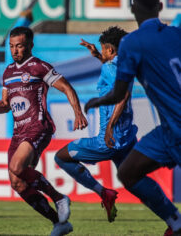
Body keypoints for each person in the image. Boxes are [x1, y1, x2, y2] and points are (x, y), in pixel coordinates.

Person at [84, 0, 181, 235]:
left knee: (128, 174)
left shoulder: (131, 43)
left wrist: (96, 102)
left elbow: (119, 93)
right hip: (168, 131)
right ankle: (175, 222)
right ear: (160, 8)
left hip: (177, 126)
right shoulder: (176, 34)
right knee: (128, 171)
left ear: (132, 9)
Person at [0, 27, 88, 236]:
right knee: (17, 183)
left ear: (29, 45)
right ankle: (59, 223)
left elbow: (66, 87)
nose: (15, 50)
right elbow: (5, 104)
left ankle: (59, 197)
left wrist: (77, 113)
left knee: (17, 166)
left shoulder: (39, 66)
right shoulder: (8, 72)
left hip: (38, 126)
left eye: (19, 46)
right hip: (18, 133)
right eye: (11, 46)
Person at [54, 26, 138, 223]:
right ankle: (173, 219)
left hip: (107, 140)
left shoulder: (110, 67)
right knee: (136, 182)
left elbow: (123, 95)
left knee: (61, 158)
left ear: (110, 50)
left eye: (103, 49)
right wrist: (97, 56)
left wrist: (109, 127)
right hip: (126, 138)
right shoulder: (126, 64)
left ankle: (103, 192)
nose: (102, 52)